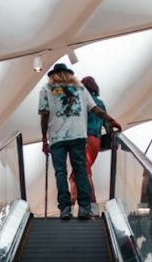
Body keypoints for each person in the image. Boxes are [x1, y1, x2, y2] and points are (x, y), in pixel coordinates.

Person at [39, 64, 121, 220]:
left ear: (53, 75)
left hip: (57, 138)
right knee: (81, 171)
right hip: (78, 136)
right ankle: (85, 207)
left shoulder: (46, 89)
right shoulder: (80, 89)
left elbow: (44, 114)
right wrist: (112, 121)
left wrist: (44, 138)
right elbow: (95, 109)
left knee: (61, 173)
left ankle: (65, 209)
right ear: (70, 75)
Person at [74, 75, 109, 216]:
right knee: (75, 175)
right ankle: (78, 205)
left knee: (84, 171)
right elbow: (107, 124)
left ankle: (91, 206)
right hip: (96, 140)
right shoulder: (100, 103)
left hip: (83, 140)